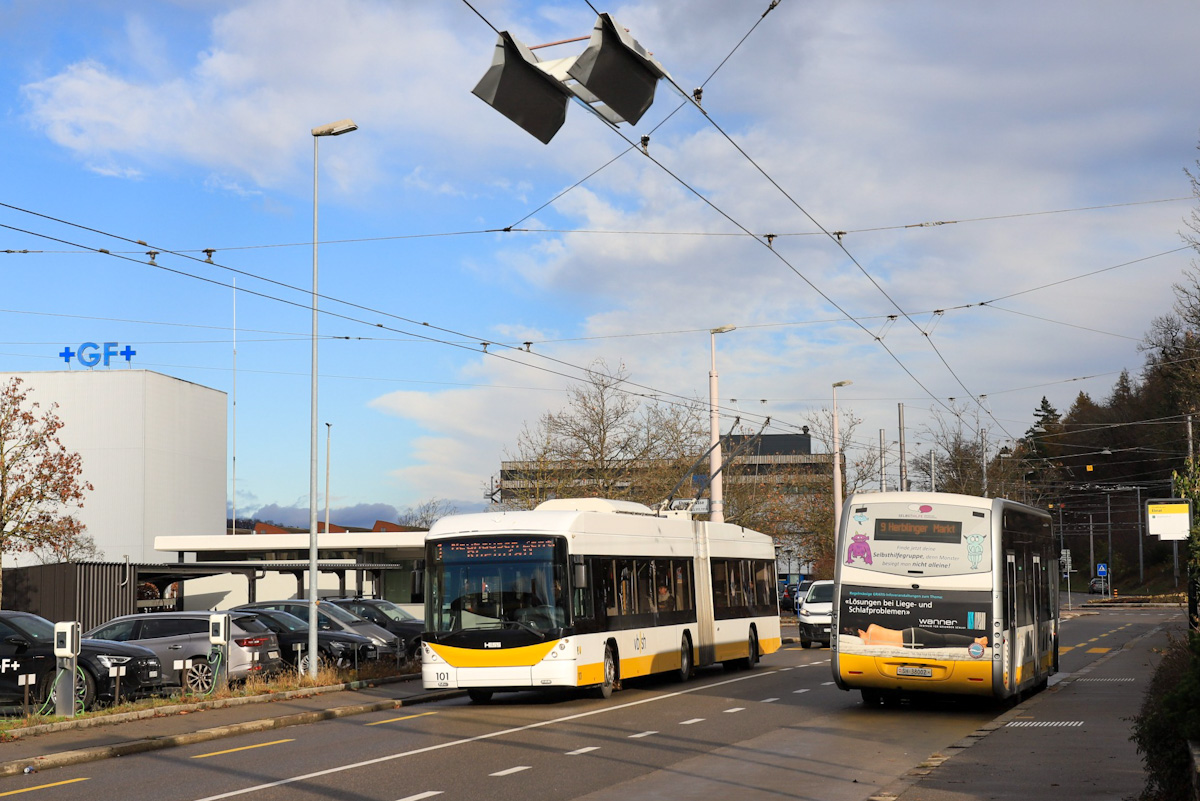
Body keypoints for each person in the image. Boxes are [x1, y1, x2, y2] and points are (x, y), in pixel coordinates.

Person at [856, 623, 987, 649]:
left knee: (944, 641)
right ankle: (976, 641)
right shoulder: (870, 636)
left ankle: (977, 641)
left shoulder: (871, 631)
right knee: (944, 642)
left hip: (912, 638)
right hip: (912, 638)